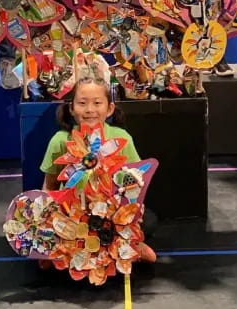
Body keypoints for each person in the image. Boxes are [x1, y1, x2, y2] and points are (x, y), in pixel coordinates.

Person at [40, 76, 155, 263]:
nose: (90, 110)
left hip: (110, 213)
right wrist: (46, 218)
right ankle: (54, 251)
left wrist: (134, 212)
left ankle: (131, 246)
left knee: (149, 221)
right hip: (72, 213)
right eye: (82, 103)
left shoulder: (121, 137)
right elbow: (49, 185)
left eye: (97, 103)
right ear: (71, 108)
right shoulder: (59, 140)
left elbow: (136, 181)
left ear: (109, 108)